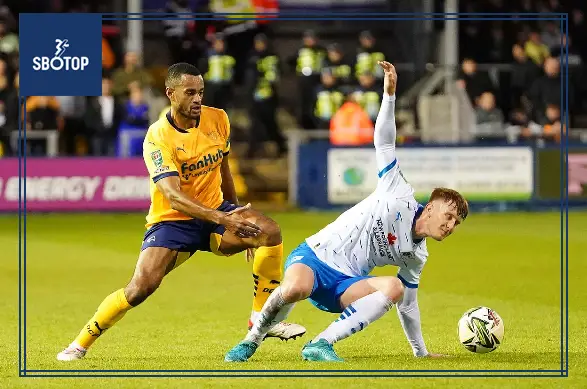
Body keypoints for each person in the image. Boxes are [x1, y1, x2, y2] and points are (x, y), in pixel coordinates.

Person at [57, 63, 306, 361]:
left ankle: (261, 318)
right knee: (139, 289)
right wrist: (224, 219)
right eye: (190, 92)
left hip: (216, 211)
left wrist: (235, 212)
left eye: (200, 92)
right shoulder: (158, 136)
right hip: (173, 222)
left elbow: (223, 166)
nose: (197, 98)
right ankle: (80, 343)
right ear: (170, 94)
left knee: (269, 232)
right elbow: (173, 197)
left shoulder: (218, 118)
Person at [225, 61, 468, 362]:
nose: (450, 225)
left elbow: (408, 305)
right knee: (297, 287)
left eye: (455, 223)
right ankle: (252, 339)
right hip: (315, 256)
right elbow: (384, 143)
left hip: (344, 285)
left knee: (396, 288)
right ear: (430, 208)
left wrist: (421, 352)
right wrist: (389, 96)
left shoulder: (417, 255)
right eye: (448, 216)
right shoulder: (399, 193)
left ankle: (320, 344)